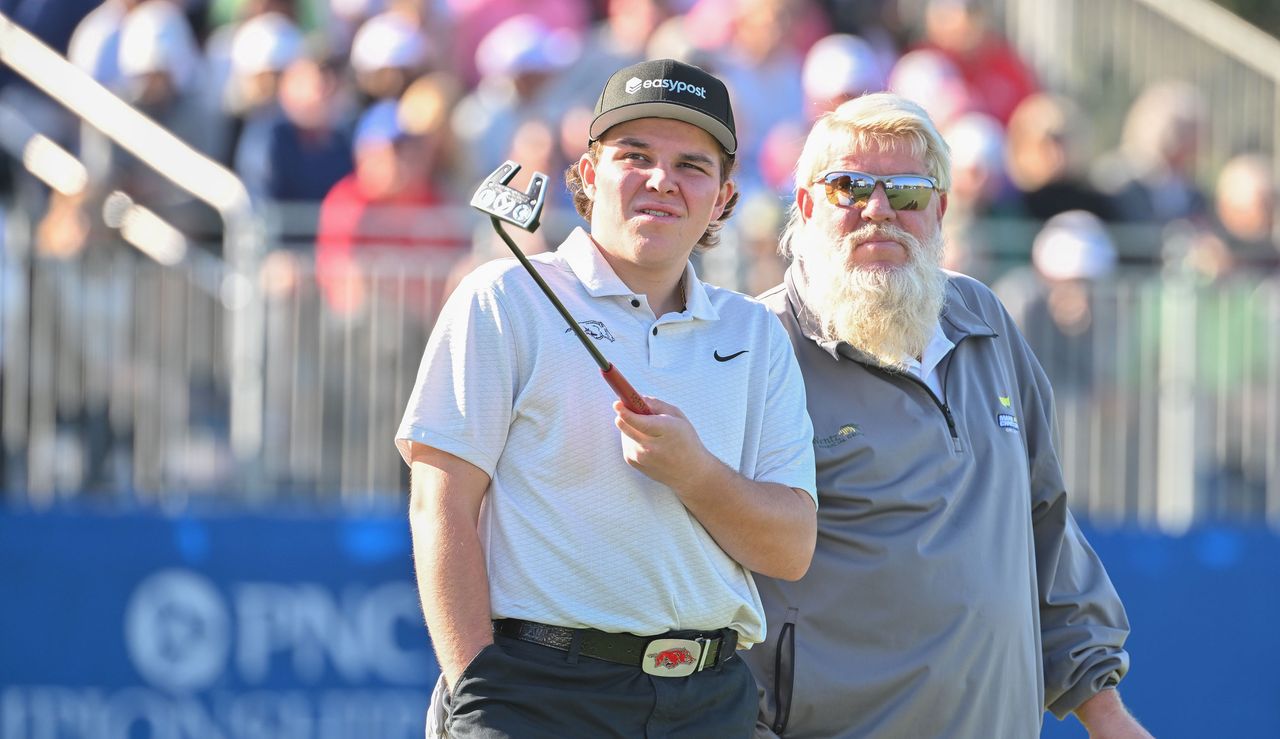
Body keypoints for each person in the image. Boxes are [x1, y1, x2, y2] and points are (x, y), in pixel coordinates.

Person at [396, 58, 818, 737]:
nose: (661, 180)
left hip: (712, 700)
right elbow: (439, 502)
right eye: (635, 155)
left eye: (692, 165)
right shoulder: (503, 296)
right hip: (536, 694)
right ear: (590, 175)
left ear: (724, 197)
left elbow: (790, 548)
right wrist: (478, 694)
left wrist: (695, 473)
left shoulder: (755, 335)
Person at [742, 92, 1152, 738]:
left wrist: (1105, 714)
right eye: (850, 188)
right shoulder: (759, 348)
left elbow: (1043, 522)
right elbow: (709, 586)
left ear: (939, 208)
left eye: (905, 192)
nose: (878, 211)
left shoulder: (982, 320)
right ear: (806, 205)